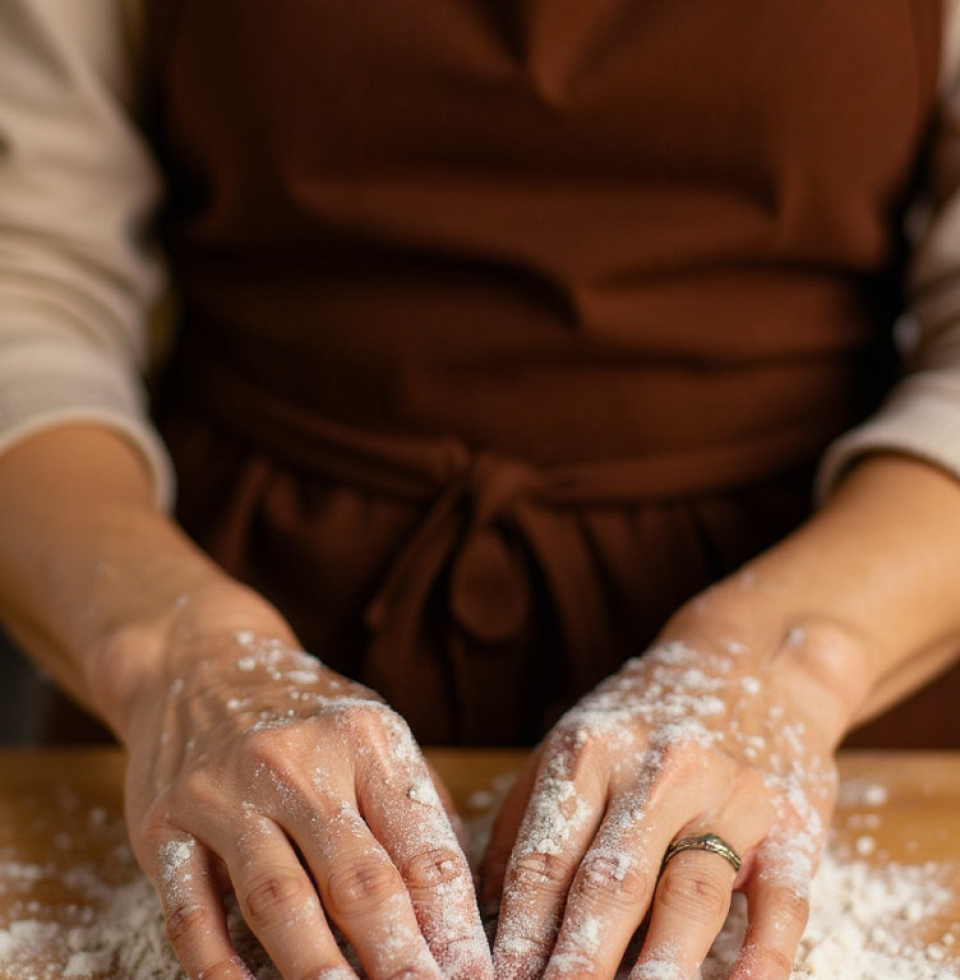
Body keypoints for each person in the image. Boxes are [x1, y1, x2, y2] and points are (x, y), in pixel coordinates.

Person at [2, 1, 960, 979]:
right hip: (214, 655)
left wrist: (790, 666)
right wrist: (176, 655)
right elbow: (23, 286)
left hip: (836, 641)